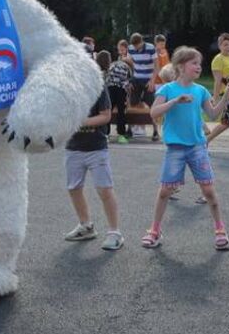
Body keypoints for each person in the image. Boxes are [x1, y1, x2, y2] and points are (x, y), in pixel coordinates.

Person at [142, 46, 229, 251]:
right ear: (180, 66)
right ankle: (154, 231)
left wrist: (225, 99)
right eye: (194, 63)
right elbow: (153, 112)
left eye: (199, 64)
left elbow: (212, 114)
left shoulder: (200, 90)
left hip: (197, 147)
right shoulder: (167, 89)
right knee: (165, 191)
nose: (198, 67)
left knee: (209, 191)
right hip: (175, 148)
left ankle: (220, 229)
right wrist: (175, 101)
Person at [62, 89, 122, 250]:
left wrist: (79, 122)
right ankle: (86, 225)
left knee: (104, 190)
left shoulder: (97, 86)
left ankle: (114, 232)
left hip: (96, 148)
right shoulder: (65, 87)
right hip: (73, 147)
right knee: (74, 188)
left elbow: (105, 115)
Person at [127, 33, 159, 140]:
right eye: (134, 46)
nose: (136, 48)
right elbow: (130, 65)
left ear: (142, 42)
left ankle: (155, 131)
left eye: (138, 46)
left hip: (148, 79)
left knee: (151, 104)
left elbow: (157, 66)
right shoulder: (131, 48)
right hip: (136, 78)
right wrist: (131, 80)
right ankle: (130, 129)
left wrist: (152, 81)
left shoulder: (150, 48)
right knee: (133, 103)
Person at [97, 50, 130, 143]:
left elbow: (105, 79)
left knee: (108, 111)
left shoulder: (110, 66)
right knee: (121, 112)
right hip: (121, 89)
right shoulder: (125, 66)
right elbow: (127, 80)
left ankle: (106, 134)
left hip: (110, 89)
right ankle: (121, 134)